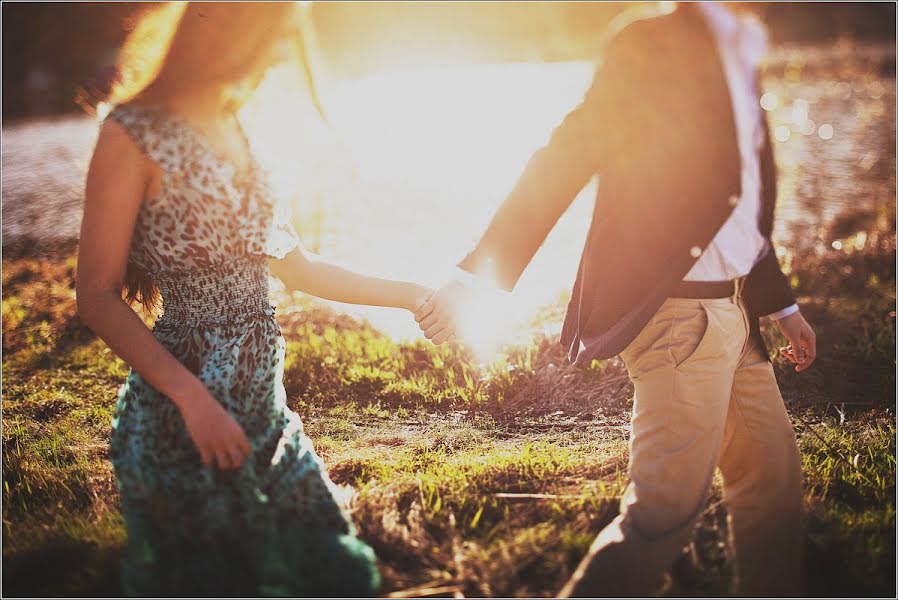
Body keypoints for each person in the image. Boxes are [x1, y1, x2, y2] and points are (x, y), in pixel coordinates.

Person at [414, 2, 815, 596]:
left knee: (773, 491)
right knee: (659, 518)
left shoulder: (741, 42)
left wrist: (779, 304)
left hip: (736, 316)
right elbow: (570, 152)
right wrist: (479, 275)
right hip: (681, 318)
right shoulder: (649, 42)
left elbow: (740, 199)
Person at [76, 3, 431, 595]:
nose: (280, 58)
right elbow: (95, 293)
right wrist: (193, 401)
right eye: (273, 40)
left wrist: (410, 294)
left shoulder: (243, 128)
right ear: (233, 35)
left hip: (265, 411)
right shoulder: (132, 133)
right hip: (186, 420)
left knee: (328, 570)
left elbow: (299, 269)